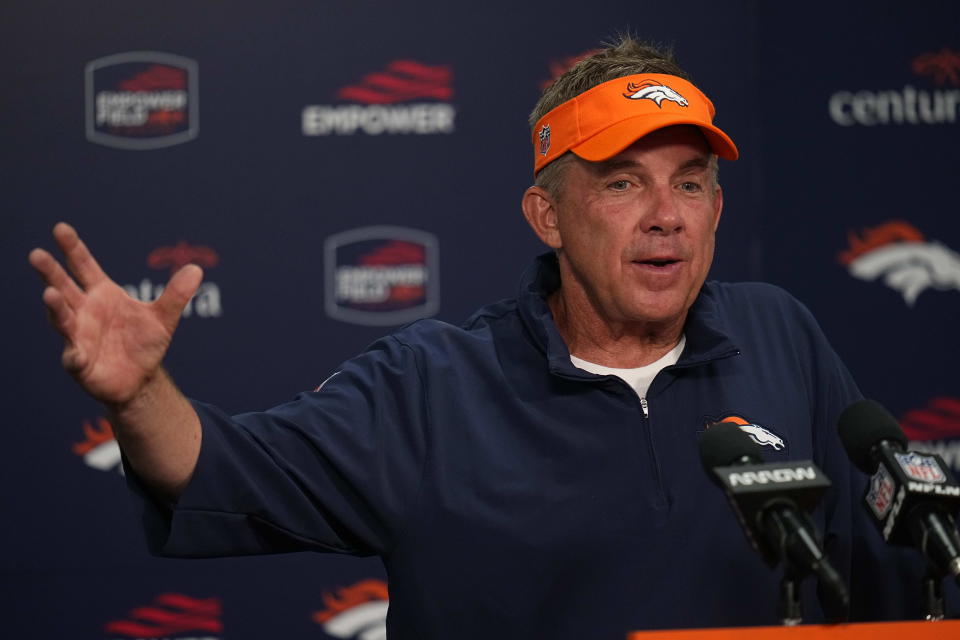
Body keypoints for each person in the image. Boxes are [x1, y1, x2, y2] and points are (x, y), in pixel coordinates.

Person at [29, 37, 919, 638]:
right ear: (548, 215)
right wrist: (141, 392)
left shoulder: (781, 335)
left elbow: (885, 571)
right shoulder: (432, 385)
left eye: (690, 185)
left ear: (718, 209)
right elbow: (222, 469)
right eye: (621, 184)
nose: (666, 219)